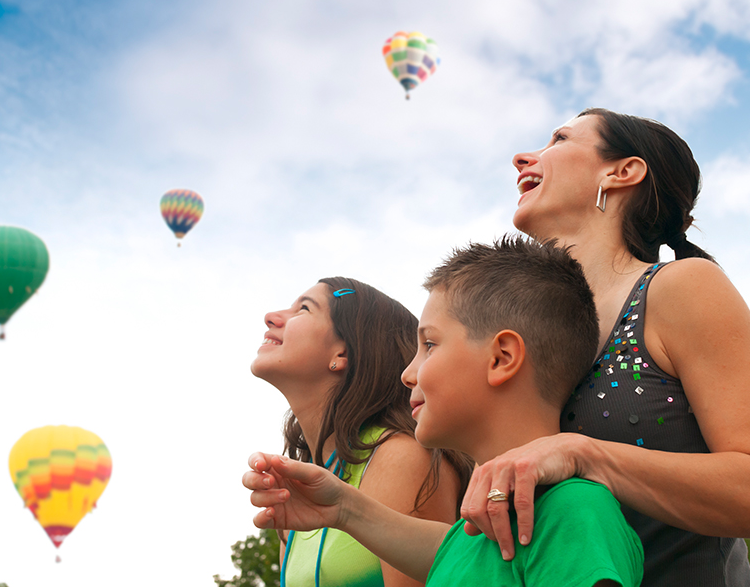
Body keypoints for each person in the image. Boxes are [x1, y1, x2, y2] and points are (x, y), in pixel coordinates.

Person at [245, 238, 644, 587]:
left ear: (502, 358)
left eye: (430, 345)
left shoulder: (574, 511)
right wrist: (343, 509)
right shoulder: (468, 537)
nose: (407, 373)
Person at [461, 108, 750, 585]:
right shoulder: (524, 336)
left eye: (558, 138)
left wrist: (585, 454)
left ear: (622, 172)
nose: (521, 158)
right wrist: (347, 510)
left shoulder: (681, 287)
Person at [250, 276, 473, 587]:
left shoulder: (398, 455)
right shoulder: (298, 492)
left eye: (303, 309)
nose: (272, 317)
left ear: (342, 353)